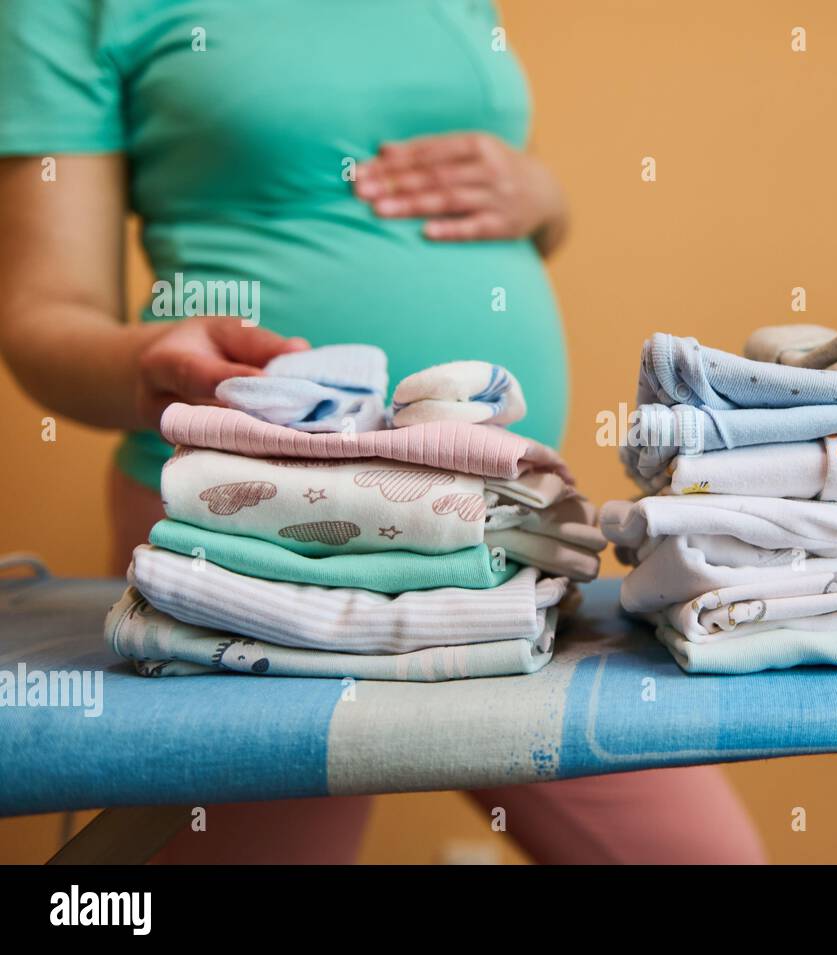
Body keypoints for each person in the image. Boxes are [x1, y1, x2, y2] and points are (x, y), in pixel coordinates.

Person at [0, 0, 765, 865]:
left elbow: (455, 186)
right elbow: (40, 312)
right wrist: (149, 361)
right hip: (252, 538)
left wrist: (544, 201)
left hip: (499, 537)